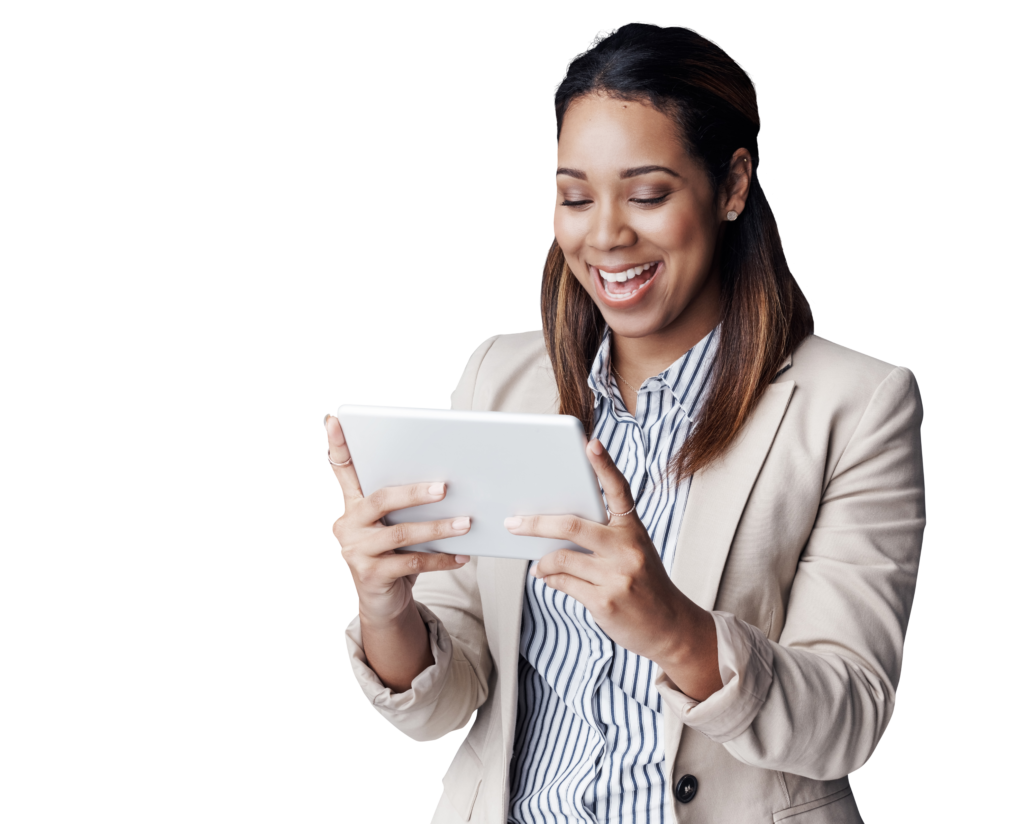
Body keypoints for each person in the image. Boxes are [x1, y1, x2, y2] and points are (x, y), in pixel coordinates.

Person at [328, 20, 925, 824]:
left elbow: (848, 720)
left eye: (647, 195)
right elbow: (446, 700)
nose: (604, 233)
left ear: (733, 184)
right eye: (574, 196)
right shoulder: (500, 377)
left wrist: (676, 629)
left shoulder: (857, 405)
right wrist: (387, 603)